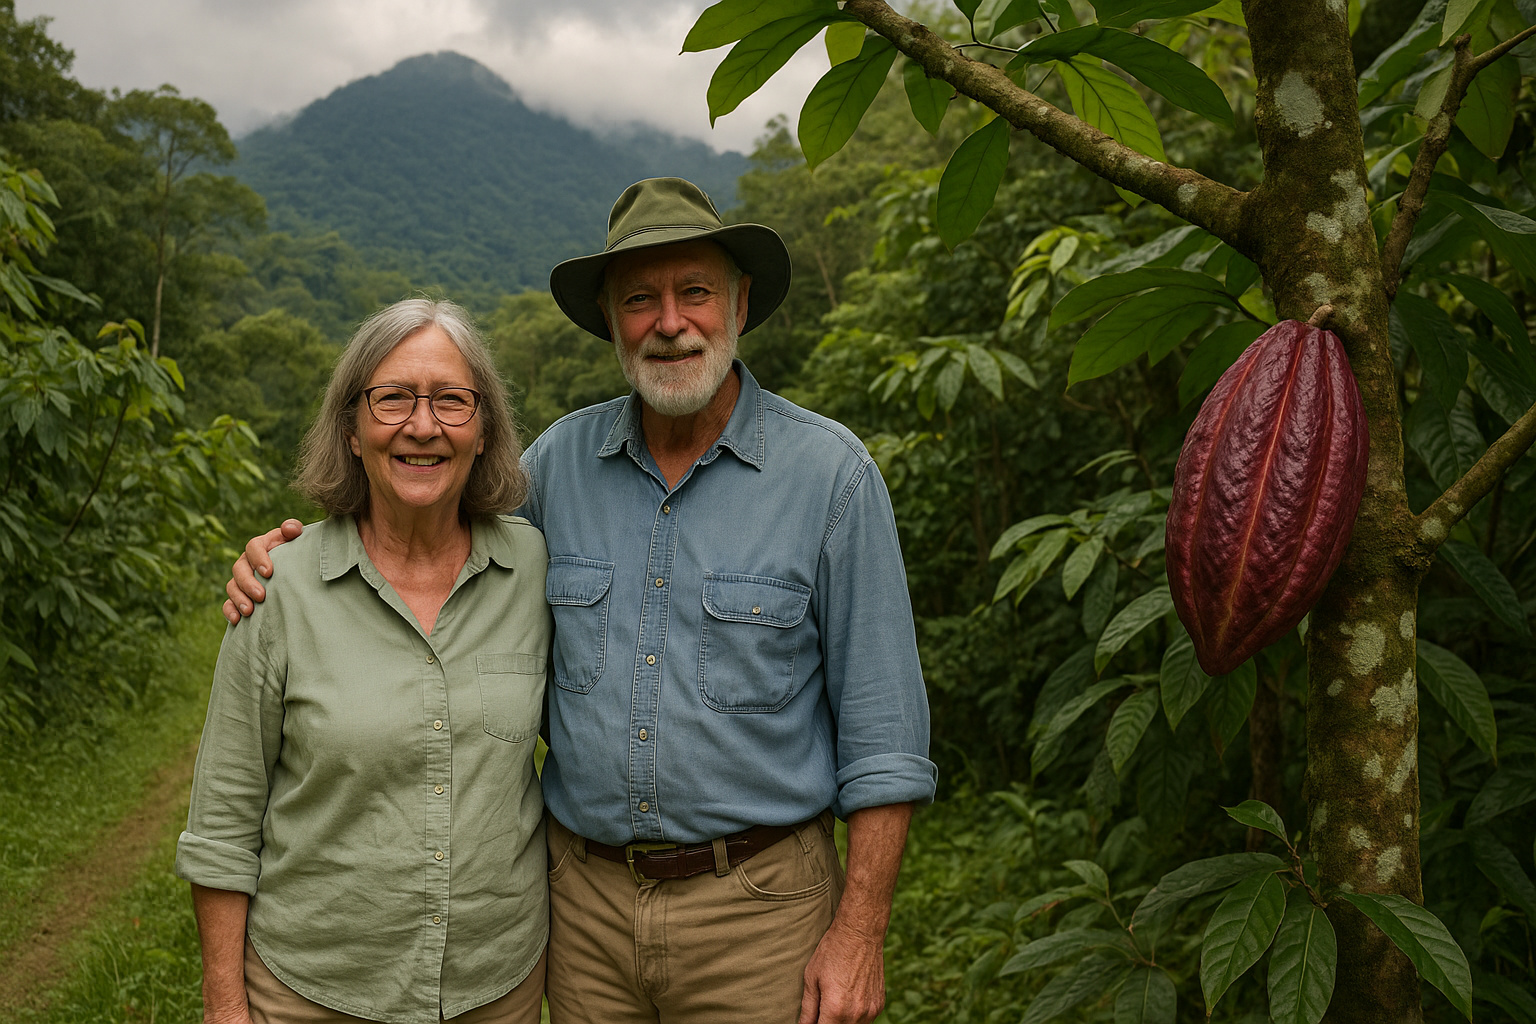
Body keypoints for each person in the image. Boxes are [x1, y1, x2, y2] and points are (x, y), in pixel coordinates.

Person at [225, 178, 936, 1024]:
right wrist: (294, 555)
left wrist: (858, 937)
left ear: (740, 302)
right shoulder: (555, 469)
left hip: (759, 911)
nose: (669, 322)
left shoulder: (832, 479)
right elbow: (429, 541)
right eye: (640, 299)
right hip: (582, 914)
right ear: (611, 319)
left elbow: (885, 740)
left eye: (695, 292)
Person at [181, 299, 551, 1024]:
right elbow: (223, 823)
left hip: (495, 989)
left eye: (452, 400)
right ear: (352, 429)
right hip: (313, 991)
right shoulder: (281, 590)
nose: (422, 425)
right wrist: (225, 1003)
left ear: (483, 430)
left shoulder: (535, 568)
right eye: (392, 400)